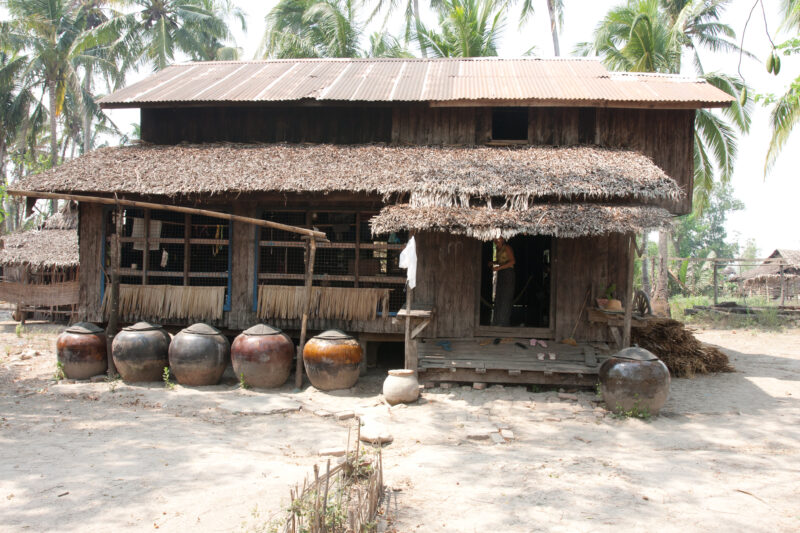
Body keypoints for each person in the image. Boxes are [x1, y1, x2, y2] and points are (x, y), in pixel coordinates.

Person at [491, 237, 515, 326]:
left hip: (508, 274)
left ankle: (504, 322)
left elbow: (512, 261)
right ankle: (497, 321)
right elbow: (501, 261)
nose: (496, 240)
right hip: (501, 274)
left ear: (503, 239)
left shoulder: (507, 248)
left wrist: (499, 268)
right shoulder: (498, 249)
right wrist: (493, 263)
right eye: (494, 239)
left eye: (498, 238)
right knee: (499, 297)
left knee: (505, 297)